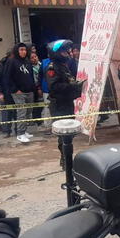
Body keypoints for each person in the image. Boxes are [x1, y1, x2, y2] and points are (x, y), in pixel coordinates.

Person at [45, 40, 85, 169]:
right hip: (58, 105)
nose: (66, 53)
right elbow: (54, 86)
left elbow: (68, 80)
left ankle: (68, 158)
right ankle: (65, 160)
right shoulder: (53, 67)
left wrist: (76, 85)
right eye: (63, 51)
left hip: (67, 103)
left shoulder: (63, 65)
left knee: (69, 134)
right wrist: (71, 86)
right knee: (63, 135)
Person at [4, 43, 39, 143]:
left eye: (24, 50)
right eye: (21, 50)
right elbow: (7, 77)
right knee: (21, 112)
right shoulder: (11, 61)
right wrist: (15, 90)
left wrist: (33, 88)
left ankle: (24, 130)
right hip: (18, 92)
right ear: (17, 50)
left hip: (29, 91)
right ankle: (20, 133)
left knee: (28, 112)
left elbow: (31, 76)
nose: (23, 52)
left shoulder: (27, 61)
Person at [0, 49, 15, 138]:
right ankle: (7, 131)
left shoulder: (14, 63)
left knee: (16, 112)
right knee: (6, 112)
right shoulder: (1, 65)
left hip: (14, 92)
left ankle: (18, 131)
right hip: (4, 92)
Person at [29, 53, 43, 125]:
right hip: (35, 89)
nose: (34, 58)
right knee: (37, 106)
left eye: (35, 56)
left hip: (43, 87)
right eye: (32, 57)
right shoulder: (29, 68)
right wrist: (38, 88)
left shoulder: (42, 65)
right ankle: (38, 121)